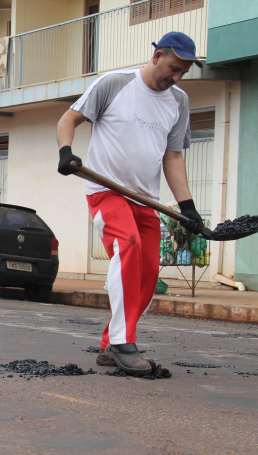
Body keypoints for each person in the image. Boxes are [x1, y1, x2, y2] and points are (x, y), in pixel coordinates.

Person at [56, 32, 205, 376]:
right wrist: (66, 151)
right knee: (128, 245)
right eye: (174, 68)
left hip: (145, 199)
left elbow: (173, 157)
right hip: (106, 191)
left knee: (149, 272)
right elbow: (68, 120)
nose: (177, 77)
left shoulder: (179, 101)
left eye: (183, 72)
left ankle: (110, 343)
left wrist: (188, 206)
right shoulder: (114, 83)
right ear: (157, 57)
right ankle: (125, 344)